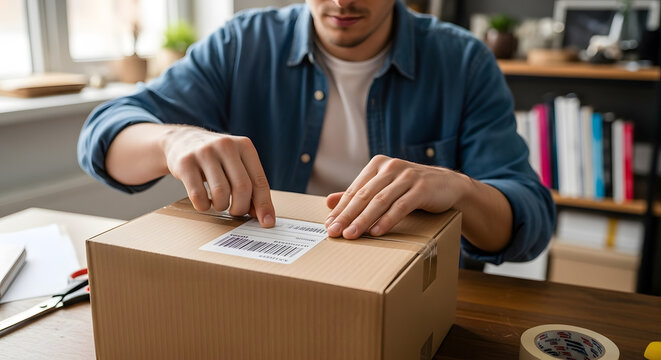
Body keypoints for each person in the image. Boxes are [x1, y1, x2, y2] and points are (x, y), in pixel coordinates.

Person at [78, 0, 555, 265]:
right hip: (263, 280)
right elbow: (103, 135)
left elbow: (528, 221)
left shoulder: (463, 61)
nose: (341, 1)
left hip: (422, 292)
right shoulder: (243, 43)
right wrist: (171, 140)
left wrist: (461, 190)